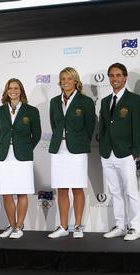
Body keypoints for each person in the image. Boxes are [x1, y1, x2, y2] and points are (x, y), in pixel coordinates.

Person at [48, 67, 96, 239]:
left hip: (77, 150)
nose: (65, 82)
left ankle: (77, 226)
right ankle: (62, 226)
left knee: (77, 188)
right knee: (61, 189)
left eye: (69, 78)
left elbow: (90, 126)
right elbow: (54, 125)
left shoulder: (85, 101)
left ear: (76, 81)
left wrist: (78, 141)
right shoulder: (54, 101)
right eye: (63, 79)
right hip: (58, 149)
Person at [100, 63, 140, 241]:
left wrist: (135, 151)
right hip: (107, 153)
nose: (114, 79)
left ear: (125, 77)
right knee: (115, 191)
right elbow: (103, 128)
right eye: (111, 75)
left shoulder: (134, 100)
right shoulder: (105, 101)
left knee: (131, 192)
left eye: (118, 75)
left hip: (126, 153)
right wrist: (104, 147)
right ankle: (120, 225)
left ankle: (134, 227)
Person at [0, 78, 41, 239]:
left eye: (16, 88)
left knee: (22, 192)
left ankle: (19, 226)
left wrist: (25, 148)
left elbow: (37, 135)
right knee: (6, 193)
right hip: (5, 156)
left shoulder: (31, 111)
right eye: (10, 88)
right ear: (6, 91)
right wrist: (8, 146)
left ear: (21, 91)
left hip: (24, 157)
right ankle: (11, 225)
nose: (13, 91)